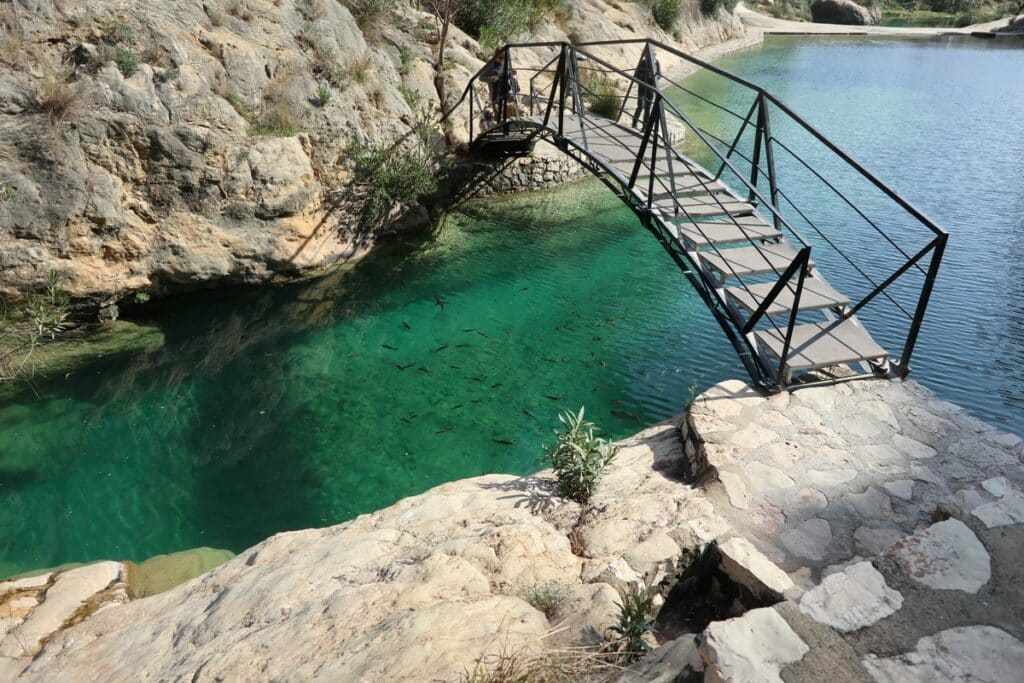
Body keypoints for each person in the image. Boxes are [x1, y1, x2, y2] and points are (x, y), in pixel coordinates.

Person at [480, 48, 517, 118]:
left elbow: (506, 76)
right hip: (495, 91)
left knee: (513, 102)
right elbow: (481, 78)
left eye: (504, 58)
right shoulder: (490, 64)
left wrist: (512, 73)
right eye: (500, 58)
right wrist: (492, 79)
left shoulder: (505, 63)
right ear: (495, 56)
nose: (502, 60)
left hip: (506, 88)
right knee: (498, 112)